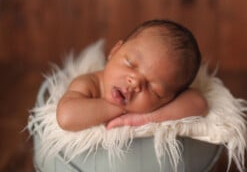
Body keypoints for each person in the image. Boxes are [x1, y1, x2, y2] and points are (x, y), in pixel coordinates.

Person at [56, 19, 208, 131]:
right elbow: (66, 117)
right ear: (114, 51)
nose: (135, 82)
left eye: (154, 89)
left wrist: (144, 118)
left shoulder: (153, 108)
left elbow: (198, 103)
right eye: (130, 63)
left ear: (170, 99)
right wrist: (121, 110)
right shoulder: (90, 84)